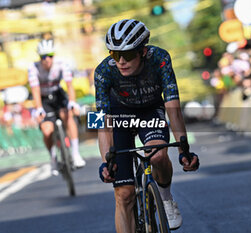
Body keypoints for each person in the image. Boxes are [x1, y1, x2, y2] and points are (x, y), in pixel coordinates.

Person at [95, 19, 199, 232]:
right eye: (115, 54)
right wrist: (107, 162)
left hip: (150, 110)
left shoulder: (160, 59)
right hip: (118, 115)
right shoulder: (103, 71)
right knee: (124, 195)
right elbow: (101, 120)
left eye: (128, 54)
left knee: (158, 155)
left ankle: (166, 197)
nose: (121, 61)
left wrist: (183, 150)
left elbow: (173, 108)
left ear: (142, 51)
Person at [28, 39, 86, 175]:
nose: (47, 59)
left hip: (58, 95)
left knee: (68, 116)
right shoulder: (33, 67)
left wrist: (72, 102)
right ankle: (53, 158)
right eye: (43, 57)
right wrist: (38, 109)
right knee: (47, 130)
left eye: (50, 55)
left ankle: (76, 153)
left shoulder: (61, 64)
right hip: (43, 99)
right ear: (39, 58)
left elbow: (69, 85)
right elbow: (35, 90)